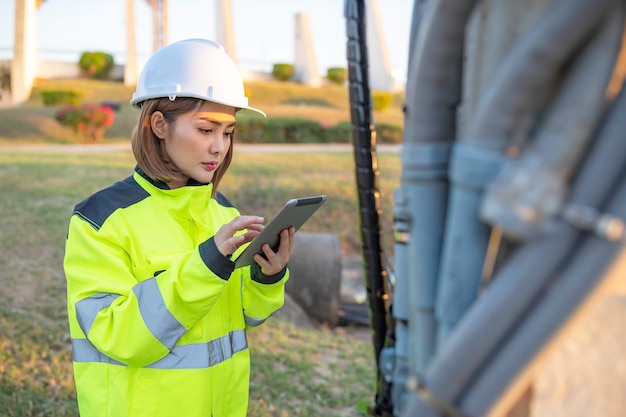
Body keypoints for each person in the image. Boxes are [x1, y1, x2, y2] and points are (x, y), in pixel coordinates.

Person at [63, 38, 295, 417]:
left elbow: (244, 318)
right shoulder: (101, 220)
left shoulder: (223, 214)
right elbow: (117, 336)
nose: (219, 147)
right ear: (159, 125)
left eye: (228, 132)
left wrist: (267, 277)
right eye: (206, 130)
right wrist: (205, 268)